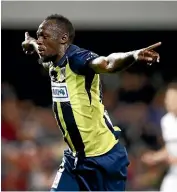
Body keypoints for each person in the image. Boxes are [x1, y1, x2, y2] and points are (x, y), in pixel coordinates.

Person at [22, 14, 161, 191]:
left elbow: (107, 63)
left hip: (104, 159)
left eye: (45, 36)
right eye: (38, 36)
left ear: (63, 39)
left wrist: (132, 55)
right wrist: (31, 43)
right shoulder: (52, 62)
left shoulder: (78, 59)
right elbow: (38, 47)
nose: (40, 41)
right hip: (75, 160)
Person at [142, 82, 177, 192]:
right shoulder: (166, 121)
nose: (168, 102)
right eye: (167, 98)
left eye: (173, 98)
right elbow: (170, 148)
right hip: (173, 174)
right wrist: (155, 157)